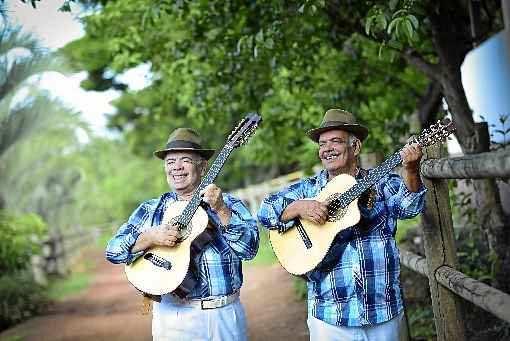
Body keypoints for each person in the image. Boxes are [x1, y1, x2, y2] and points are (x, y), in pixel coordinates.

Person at [258, 109, 426, 341]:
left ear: (355, 147)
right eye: (322, 143)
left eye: (335, 141)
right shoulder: (308, 189)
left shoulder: (382, 182)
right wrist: (299, 208)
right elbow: (265, 211)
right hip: (328, 315)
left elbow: (410, 208)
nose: (327, 149)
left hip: (383, 311)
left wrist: (411, 169)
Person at [106, 127, 259, 341]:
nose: (176, 167)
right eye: (170, 162)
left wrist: (222, 210)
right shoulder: (151, 209)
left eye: (185, 160)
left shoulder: (228, 204)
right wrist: (150, 237)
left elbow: (249, 249)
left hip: (223, 314)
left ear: (203, 166)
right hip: (173, 317)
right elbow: (113, 251)